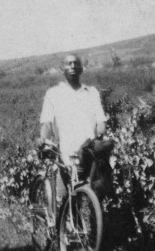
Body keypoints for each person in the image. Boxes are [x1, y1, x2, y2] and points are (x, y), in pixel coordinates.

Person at [39, 53, 108, 200]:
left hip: (88, 151)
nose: (72, 66)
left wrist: (99, 137)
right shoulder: (53, 94)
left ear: (81, 69)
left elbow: (101, 122)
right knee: (65, 200)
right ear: (62, 68)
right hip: (67, 153)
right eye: (68, 64)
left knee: (96, 198)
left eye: (76, 63)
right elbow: (47, 123)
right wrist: (44, 140)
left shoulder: (92, 92)